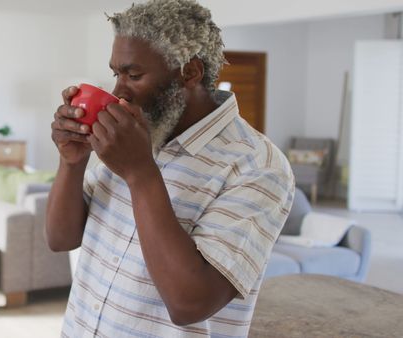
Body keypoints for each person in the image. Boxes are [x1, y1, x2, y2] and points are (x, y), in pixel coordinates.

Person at [46, 0, 295, 337]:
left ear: (189, 72)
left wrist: (140, 174)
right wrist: (72, 162)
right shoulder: (133, 134)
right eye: (116, 73)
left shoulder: (258, 167)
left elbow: (190, 303)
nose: (118, 91)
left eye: (134, 75)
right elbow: (61, 239)